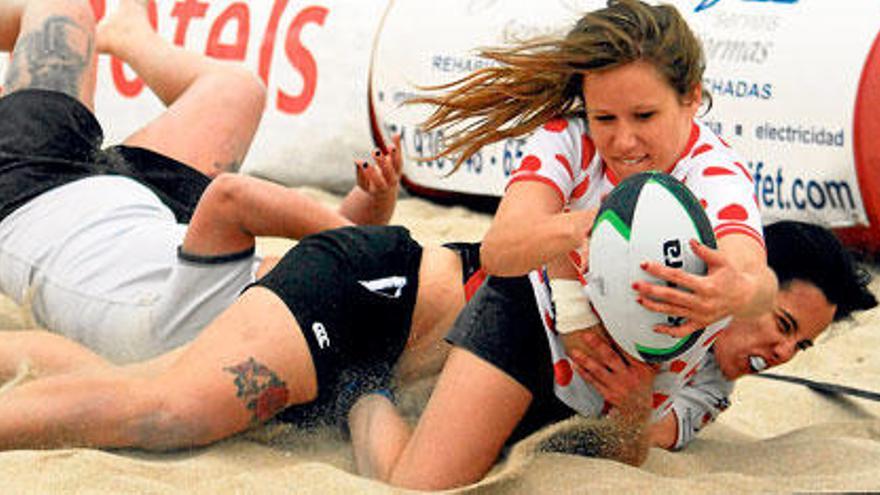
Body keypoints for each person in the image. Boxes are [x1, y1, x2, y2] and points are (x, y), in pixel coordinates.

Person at [0, 0, 401, 363]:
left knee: (62, 9)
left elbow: (235, 198)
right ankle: (131, 37)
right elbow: (333, 257)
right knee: (237, 90)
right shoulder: (265, 316)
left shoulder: (207, 314)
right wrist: (375, 200)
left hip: (33, 190)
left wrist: (382, 250)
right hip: (150, 218)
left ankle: (126, 36)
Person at [348, 221, 877, 489]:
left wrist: (633, 409)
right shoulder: (663, 271)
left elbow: (632, 447)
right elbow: (554, 236)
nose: (783, 354)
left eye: (801, 345)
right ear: (747, 284)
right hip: (472, 291)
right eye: (783, 325)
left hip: (503, 365)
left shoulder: (714, 391)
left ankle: (361, 394)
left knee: (419, 478)